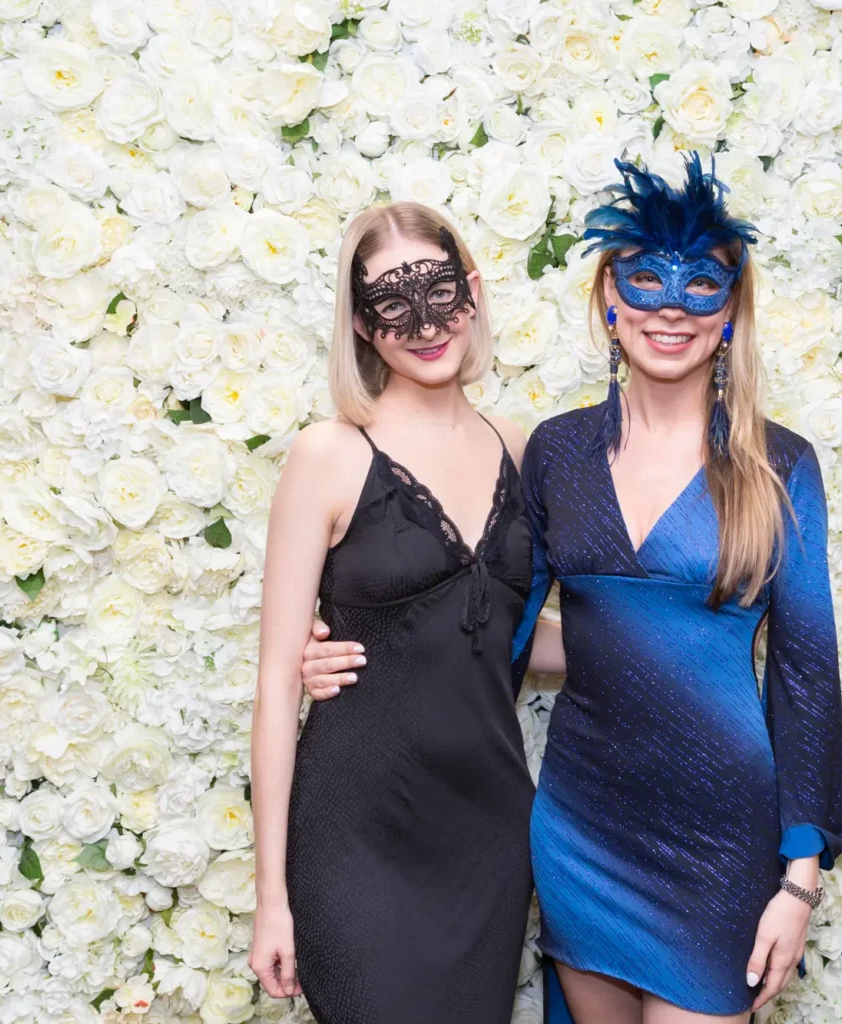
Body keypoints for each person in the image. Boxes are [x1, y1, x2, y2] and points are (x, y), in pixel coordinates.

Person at [301, 155, 842, 1022]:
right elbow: (500, 622)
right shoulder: (556, 452)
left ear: (731, 314)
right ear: (610, 301)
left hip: (723, 835)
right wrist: (359, 648)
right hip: (584, 830)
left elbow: (806, 677)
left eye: (701, 286)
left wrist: (800, 878)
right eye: (646, 283)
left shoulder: (780, 465)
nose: (671, 309)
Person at [249, 201, 563, 1024]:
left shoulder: (520, 448)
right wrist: (271, 896)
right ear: (361, 324)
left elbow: (505, 630)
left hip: (489, 832)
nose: (424, 324)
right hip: (357, 833)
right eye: (392, 301)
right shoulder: (327, 454)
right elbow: (278, 684)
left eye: (438, 290)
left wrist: (669, 628)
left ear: (473, 291)